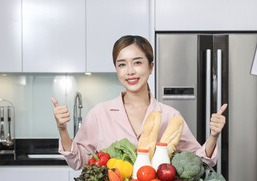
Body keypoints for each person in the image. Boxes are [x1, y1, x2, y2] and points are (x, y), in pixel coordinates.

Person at [51, 35, 227, 170]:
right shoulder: (100, 113)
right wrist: (63, 130)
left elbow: (197, 162)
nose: (130, 71)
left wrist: (213, 136)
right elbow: (78, 161)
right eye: (122, 65)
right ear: (116, 70)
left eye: (137, 63)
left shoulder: (170, 116)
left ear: (150, 67)